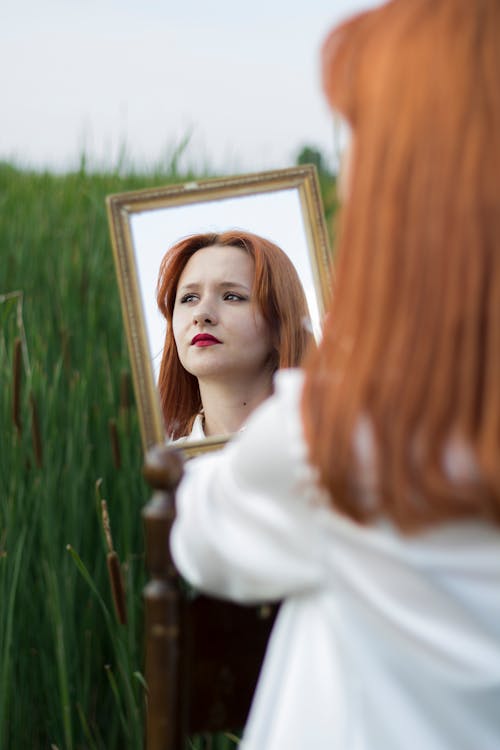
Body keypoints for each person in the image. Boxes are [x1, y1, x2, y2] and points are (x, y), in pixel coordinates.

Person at [170, 1, 500, 748]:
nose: (206, 314)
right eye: (190, 297)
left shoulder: (336, 443)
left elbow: (202, 538)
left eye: (365, 147)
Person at [156, 230, 313, 440]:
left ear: (281, 325)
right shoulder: (161, 468)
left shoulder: (326, 450)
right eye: (189, 298)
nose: (201, 314)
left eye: (231, 296)